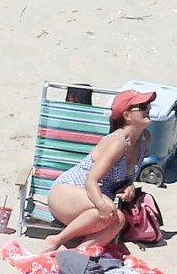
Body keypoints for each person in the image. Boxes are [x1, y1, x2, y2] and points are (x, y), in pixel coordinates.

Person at [42, 89, 156, 252]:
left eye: (149, 105)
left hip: (91, 202)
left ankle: (81, 252)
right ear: (127, 115)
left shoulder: (145, 138)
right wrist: (102, 205)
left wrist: (129, 186)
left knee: (119, 219)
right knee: (109, 211)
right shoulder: (118, 143)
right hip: (67, 193)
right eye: (143, 106)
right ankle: (55, 241)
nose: (148, 109)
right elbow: (91, 180)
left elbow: (128, 176)